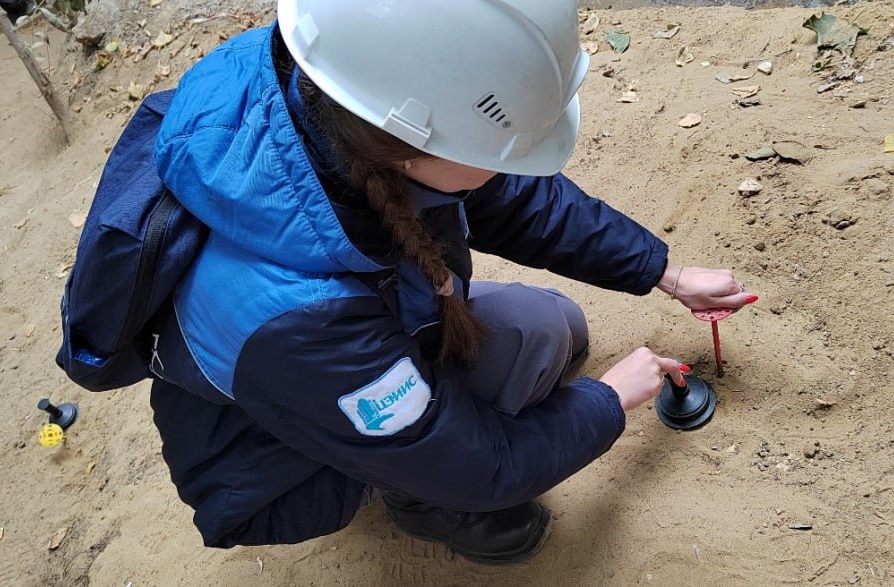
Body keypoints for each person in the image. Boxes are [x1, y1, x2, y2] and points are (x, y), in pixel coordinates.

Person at [146, 0, 756, 564]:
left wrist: (663, 272)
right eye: (495, 149)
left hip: (335, 351)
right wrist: (610, 399)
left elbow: (516, 202)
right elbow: (484, 469)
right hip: (274, 459)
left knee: (550, 330)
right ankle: (420, 500)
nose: (507, 164)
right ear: (410, 150)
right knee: (470, 441)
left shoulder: (344, 92)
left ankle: (413, 448)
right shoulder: (298, 318)